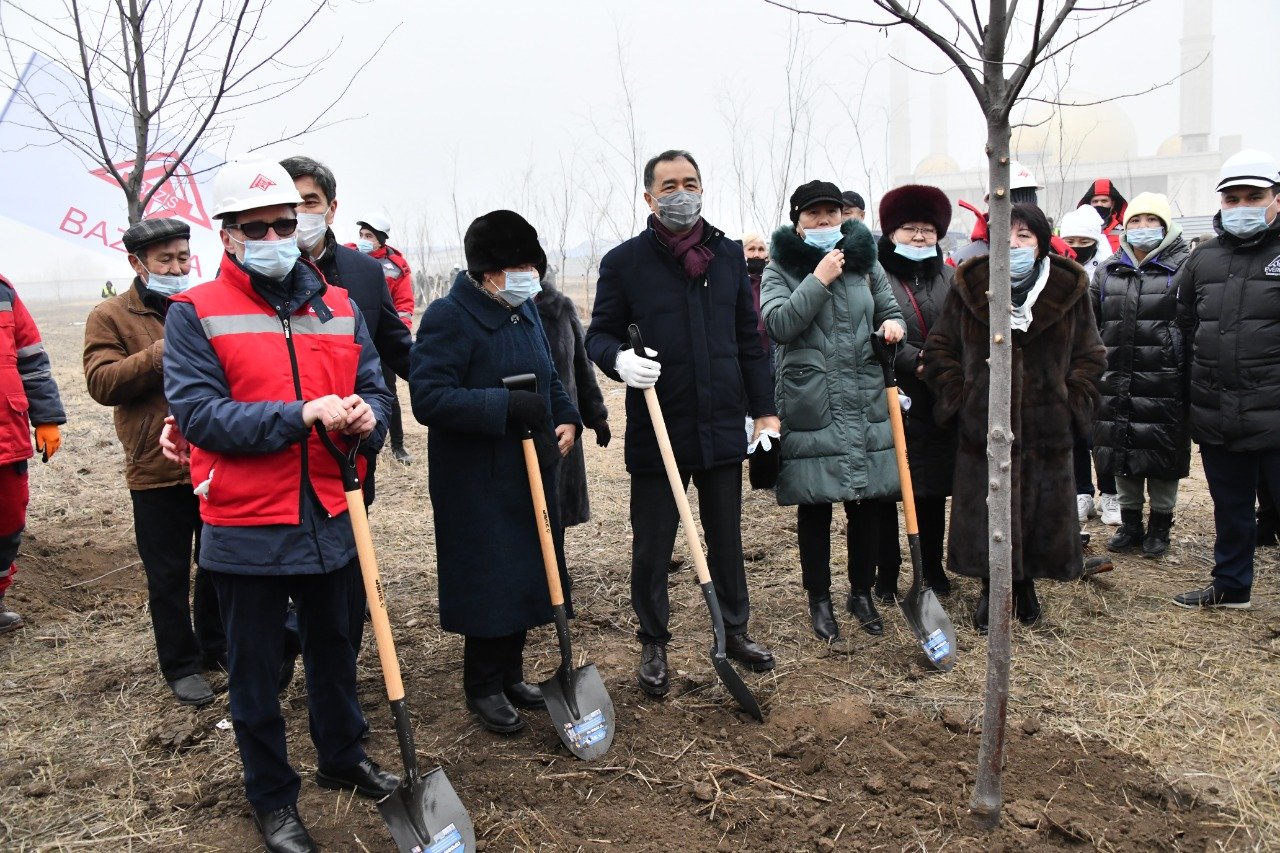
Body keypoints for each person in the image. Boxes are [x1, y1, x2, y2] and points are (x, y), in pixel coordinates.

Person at [162, 157, 396, 853]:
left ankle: (342, 754)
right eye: (255, 226)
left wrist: (365, 419)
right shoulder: (194, 313)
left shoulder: (339, 305)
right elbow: (202, 416)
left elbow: (376, 389)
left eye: (282, 224)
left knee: (334, 651)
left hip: (330, 512)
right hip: (246, 523)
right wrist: (300, 415)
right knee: (256, 674)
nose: (271, 234)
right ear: (228, 234)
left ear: (299, 226)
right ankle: (271, 796)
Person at [586, 149, 778, 695]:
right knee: (652, 543)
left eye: (689, 182)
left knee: (726, 537)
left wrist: (763, 411)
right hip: (658, 428)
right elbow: (597, 334)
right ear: (649, 197)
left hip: (720, 424)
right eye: (668, 185)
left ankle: (734, 631)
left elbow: (750, 340)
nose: (680, 193)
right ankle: (654, 643)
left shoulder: (725, 257)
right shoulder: (625, 263)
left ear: (703, 188)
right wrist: (619, 361)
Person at [410, 209, 580, 733]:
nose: (530, 275)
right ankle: (482, 684)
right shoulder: (448, 316)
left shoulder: (522, 308)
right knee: (491, 579)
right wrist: (504, 406)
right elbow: (429, 397)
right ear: (487, 271)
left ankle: (510, 673)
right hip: (477, 478)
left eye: (534, 264)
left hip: (530, 468)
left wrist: (568, 415)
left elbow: (548, 374)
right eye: (518, 266)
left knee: (531, 573)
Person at [925, 203, 1105, 631]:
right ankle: (993, 587)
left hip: (1047, 430)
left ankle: (1026, 587)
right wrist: (962, 396)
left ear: (1042, 242)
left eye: (1024, 236)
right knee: (989, 506)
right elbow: (940, 349)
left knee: (1041, 508)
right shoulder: (969, 285)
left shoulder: (1069, 288)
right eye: (1005, 236)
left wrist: (1070, 400)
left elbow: (1091, 354)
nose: (1014, 245)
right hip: (982, 428)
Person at [83, 217, 225, 706]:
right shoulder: (110, 316)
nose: (178, 267)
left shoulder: (202, 304)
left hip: (210, 460)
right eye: (166, 259)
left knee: (216, 562)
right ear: (137, 263)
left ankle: (216, 645)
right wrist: (161, 352)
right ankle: (180, 664)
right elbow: (102, 383)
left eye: (184, 257)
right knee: (166, 574)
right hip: (153, 469)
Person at [760, 180, 906, 640]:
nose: (824, 222)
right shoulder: (779, 267)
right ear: (797, 222)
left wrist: (893, 327)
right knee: (816, 505)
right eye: (813, 215)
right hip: (811, 401)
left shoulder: (866, 261)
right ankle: (819, 600)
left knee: (864, 502)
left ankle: (860, 593)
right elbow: (780, 324)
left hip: (863, 396)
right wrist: (818, 279)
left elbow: (890, 309)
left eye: (831, 214)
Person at [1173, 149, 1280, 610]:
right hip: (1218, 409)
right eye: (1232, 199)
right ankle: (1232, 584)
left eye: (1253, 197)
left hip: (1274, 411)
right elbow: (1185, 327)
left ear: (1276, 198)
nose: (1242, 207)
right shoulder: (1204, 259)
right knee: (1231, 506)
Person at [1090, 192, 1191, 559]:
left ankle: (1160, 526)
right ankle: (1130, 524)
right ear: (1124, 226)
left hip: (1164, 377)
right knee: (1121, 449)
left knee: (1162, 453)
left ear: (1165, 226)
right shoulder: (1108, 269)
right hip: (1115, 374)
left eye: (1152, 221)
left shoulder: (1185, 266)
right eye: (1135, 221)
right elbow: (1091, 322)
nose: (1143, 228)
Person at [873, 184, 957, 600]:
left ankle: (931, 568)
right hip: (890, 395)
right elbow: (868, 328)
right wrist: (909, 359)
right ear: (891, 233)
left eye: (927, 229)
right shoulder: (876, 276)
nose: (920, 237)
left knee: (932, 490)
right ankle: (886, 571)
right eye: (909, 228)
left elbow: (962, 329)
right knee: (888, 490)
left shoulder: (952, 277)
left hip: (940, 399)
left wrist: (942, 362)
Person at [0, 275, 65, 636]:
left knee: (7, 522)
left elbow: (32, 361)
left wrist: (48, 418)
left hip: (5, 435)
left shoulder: (3, 291)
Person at [1059, 204, 1121, 526]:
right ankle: (1082, 491)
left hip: (1102, 360)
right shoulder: (1055, 270)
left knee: (1102, 432)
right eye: (1071, 240)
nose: (1078, 246)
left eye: (1085, 240)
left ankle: (1111, 493)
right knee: (1076, 432)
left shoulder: (1110, 270)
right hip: (1065, 364)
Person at [536, 272, 609, 528]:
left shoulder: (560, 308)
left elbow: (581, 363)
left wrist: (596, 415)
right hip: (520, 421)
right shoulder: (502, 311)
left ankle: (558, 564)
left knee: (556, 504)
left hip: (562, 421)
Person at [351, 214, 414, 464]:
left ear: (381, 240)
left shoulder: (395, 267)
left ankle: (397, 445)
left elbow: (404, 305)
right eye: (362, 235)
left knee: (388, 392)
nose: (364, 241)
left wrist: (398, 333)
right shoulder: (348, 257)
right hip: (352, 336)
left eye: (369, 236)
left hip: (381, 338)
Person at [741, 232, 773, 370]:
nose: (756, 255)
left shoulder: (772, 281)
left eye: (761, 250)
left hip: (770, 356)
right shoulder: (737, 282)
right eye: (751, 249)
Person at [1078, 178, 1128, 252]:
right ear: (1089, 204)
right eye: (1095, 201)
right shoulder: (1079, 228)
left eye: (1104, 201)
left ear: (1113, 203)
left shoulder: (1124, 231)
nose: (1099, 204)